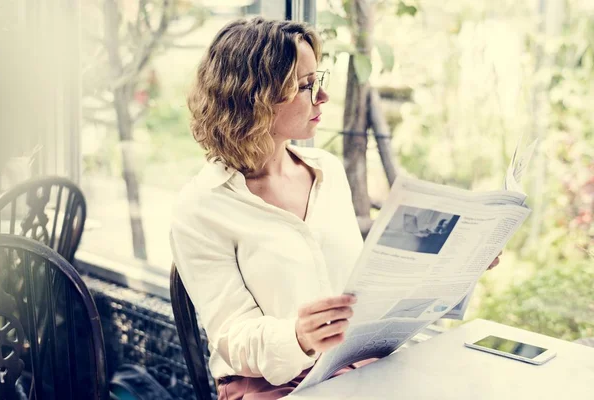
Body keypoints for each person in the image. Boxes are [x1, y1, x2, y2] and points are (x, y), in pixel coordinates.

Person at [170, 17, 500, 399]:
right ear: (254, 97)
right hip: (272, 385)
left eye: (318, 81)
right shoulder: (201, 207)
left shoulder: (327, 171)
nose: (322, 98)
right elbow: (234, 338)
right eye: (305, 86)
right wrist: (298, 336)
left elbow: (368, 289)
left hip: (353, 367)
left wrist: (460, 262)